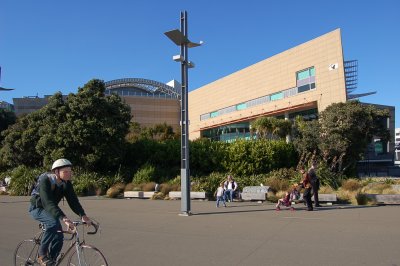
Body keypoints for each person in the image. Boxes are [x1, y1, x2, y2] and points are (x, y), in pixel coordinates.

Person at [29, 159, 92, 265]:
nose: (69, 174)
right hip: (37, 208)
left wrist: (83, 215)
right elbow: (48, 203)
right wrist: (64, 218)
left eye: (70, 171)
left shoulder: (66, 183)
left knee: (59, 235)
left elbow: (73, 201)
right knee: (53, 223)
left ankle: (51, 261)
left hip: (51, 210)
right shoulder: (46, 181)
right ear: (57, 172)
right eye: (65, 172)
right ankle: (42, 255)